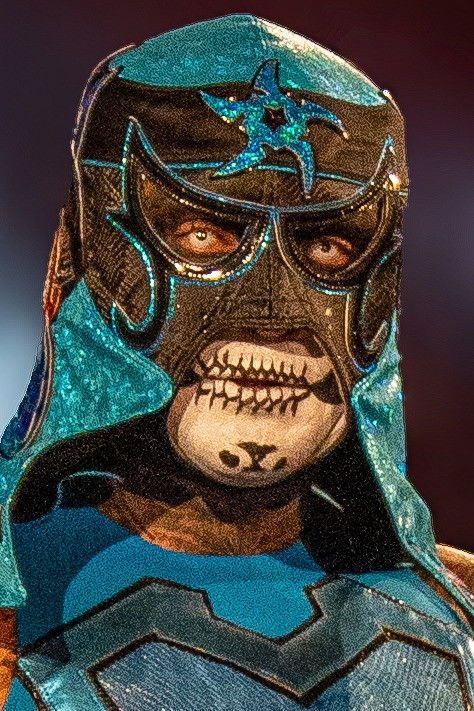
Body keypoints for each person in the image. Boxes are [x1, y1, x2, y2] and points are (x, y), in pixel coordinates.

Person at [0, 14, 472, 710]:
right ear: (87, 258)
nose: (273, 312)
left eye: (328, 247)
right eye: (203, 233)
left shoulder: (460, 615)